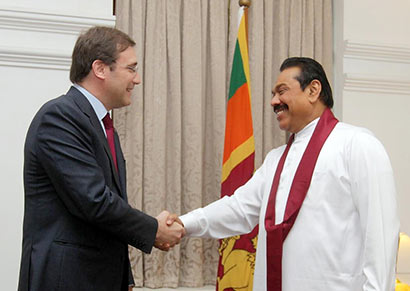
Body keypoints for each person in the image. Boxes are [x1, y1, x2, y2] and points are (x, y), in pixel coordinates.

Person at [178, 57, 400, 291]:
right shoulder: (275, 160)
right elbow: (238, 209)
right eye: (273, 94)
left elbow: (380, 236)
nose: (274, 101)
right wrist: (183, 224)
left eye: (281, 91)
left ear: (313, 90)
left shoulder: (358, 144)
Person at [18, 26, 184, 291]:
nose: (137, 78)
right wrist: (154, 230)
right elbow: (94, 201)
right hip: (66, 280)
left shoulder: (104, 126)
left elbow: (110, 208)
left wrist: (124, 278)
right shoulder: (60, 117)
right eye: (131, 68)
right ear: (100, 69)